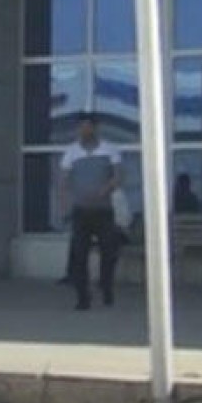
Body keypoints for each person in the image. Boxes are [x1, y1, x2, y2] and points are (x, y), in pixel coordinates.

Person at [59, 115, 122, 311]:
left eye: (87, 127)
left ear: (95, 128)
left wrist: (106, 189)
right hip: (81, 211)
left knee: (108, 252)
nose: (84, 131)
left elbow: (118, 176)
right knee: (79, 254)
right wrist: (65, 205)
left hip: (103, 211)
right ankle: (83, 297)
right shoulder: (71, 152)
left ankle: (106, 286)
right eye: (81, 128)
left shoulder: (109, 150)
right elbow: (64, 181)